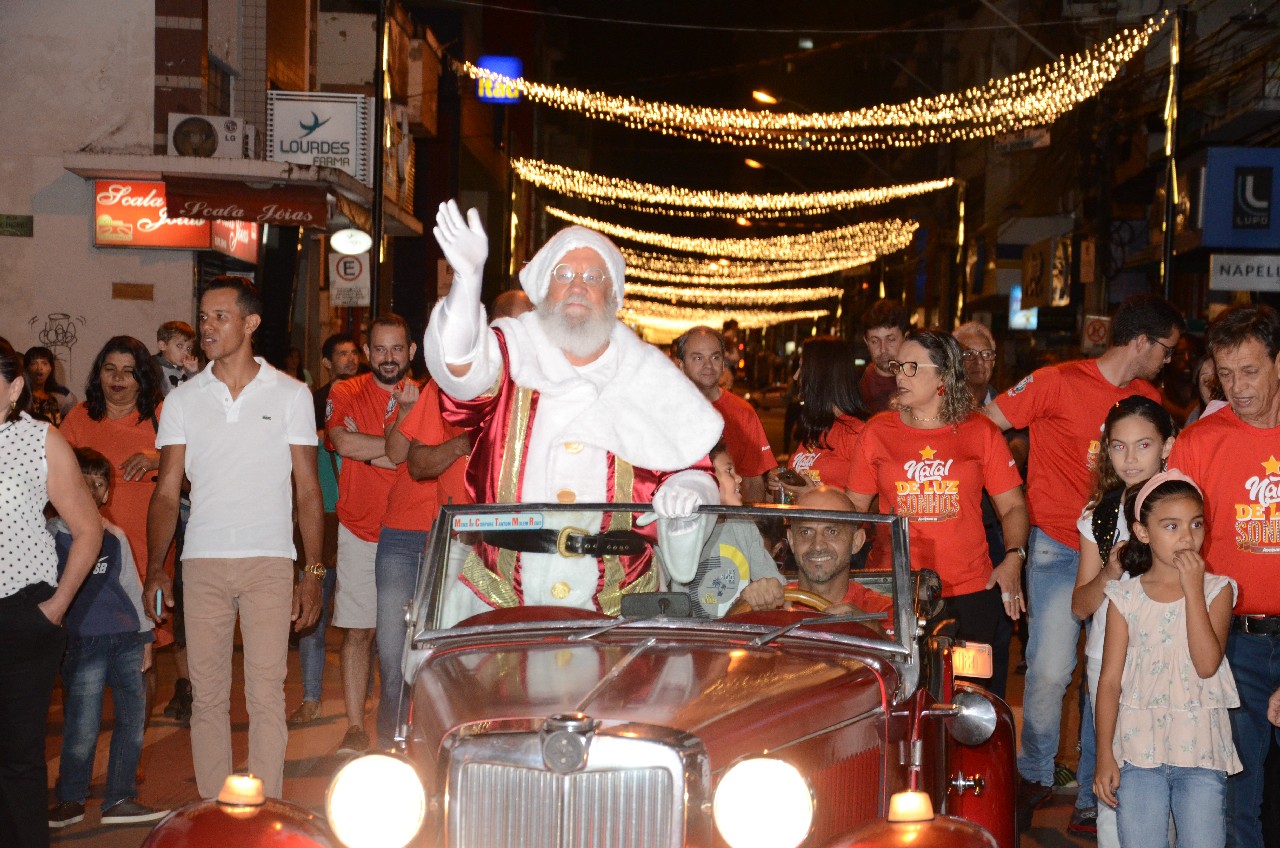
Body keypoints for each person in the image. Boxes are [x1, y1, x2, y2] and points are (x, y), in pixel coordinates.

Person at [424, 200, 721, 621]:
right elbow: (459, 365)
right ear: (544, 290)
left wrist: (688, 492)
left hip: (616, 608)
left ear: (613, 294)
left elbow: (695, 466)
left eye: (592, 277)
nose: (577, 286)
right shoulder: (510, 352)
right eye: (564, 275)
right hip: (503, 600)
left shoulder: (650, 375)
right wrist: (467, 281)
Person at [984, 292, 1183, 816]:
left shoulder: (1149, 403)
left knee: (1107, 672)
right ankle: (1034, 774)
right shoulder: (1055, 381)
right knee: (1049, 669)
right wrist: (1012, 487)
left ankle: (1095, 798)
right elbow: (987, 424)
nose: (1168, 360)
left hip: (1124, 549)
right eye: (1166, 349)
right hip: (1056, 544)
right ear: (1141, 341)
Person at [144, 275, 323, 801]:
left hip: (270, 561)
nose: (207, 327)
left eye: (219, 316)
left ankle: (265, 809)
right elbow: (164, 491)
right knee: (207, 698)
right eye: (202, 317)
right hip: (201, 562)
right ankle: (212, 811)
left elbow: (308, 491)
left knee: (267, 694)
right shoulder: (182, 400)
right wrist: (158, 564)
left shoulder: (291, 394)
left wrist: (312, 571)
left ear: (250, 323)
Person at [849, 331, 1028, 694]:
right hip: (894, 591)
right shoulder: (878, 432)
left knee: (968, 703)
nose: (900, 375)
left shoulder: (980, 431)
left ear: (944, 376)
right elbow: (853, 509)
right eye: (899, 366)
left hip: (969, 590)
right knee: (897, 700)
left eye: (913, 367)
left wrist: (1013, 558)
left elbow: (1013, 507)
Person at [1166, 304, 1280, 848]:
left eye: (1251, 371)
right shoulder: (1199, 442)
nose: (1236, 387)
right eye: (1226, 373)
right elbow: (1171, 545)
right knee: (1237, 802)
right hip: (1232, 643)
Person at [1093, 471, 1240, 848]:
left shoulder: (1217, 591)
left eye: (1195, 524)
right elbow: (1109, 682)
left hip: (1200, 753)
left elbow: (1206, 664)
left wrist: (1193, 591)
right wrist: (1104, 754)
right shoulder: (1125, 597)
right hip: (1138, 752)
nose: (1187, 537)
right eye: (1171, 526)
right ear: (1142, 532)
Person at [0, 351, 101, 848]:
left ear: (15, 387)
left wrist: (55, 607)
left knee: (18, 755)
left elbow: (88, 530)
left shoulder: (40, 440)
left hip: (23, 613)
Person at [59, 335, 188, 719]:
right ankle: (78, 742)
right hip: (89, 551)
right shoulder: (79, 418)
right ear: (98, 373)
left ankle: (133, 744)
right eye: (109, 369)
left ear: (143, 378)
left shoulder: (163, 416)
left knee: (142, 648)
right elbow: (54, 478)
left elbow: (194, 481)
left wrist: (157, 458)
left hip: (148, 551)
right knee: (79, 644)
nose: (117, 379)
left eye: (128, 372)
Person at [1070, 396, 1175, 844]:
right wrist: (1111, 571)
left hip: (1173, 658)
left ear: (1167, 447)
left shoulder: (1184, 509)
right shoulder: (1101, 514)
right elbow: (1079, 605)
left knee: (1172, 771)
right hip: (1107, 659)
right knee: (1111, 771)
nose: (1130, 459)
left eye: (1143, 445)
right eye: (1118, 447)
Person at [47, 448, 168, 829]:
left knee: (132, 722)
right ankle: (71, 800)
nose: (91, 489)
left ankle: (120, 797)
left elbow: (131, 587)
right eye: (82, 481)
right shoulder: (49, 537)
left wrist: (146, 636)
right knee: (82, 725)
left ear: (106, 495)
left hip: (127, 640)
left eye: (99, 483)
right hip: (82, 643)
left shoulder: (114, 536)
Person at [324, 315, 418, 755]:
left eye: (396, 349)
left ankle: (399, 721)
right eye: (379, 349)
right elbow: (342, 444)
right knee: (359, 632)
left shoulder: (428, 396)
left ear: (412, 352)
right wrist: (400, 451)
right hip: (360, 530)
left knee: (405, 638)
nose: (388, 358)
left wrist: (375, 447)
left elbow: (427, 459)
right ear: (367, 353)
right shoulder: (345, 391)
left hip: (414, 532)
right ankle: (355, 726)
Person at [378, 369, 472, 745]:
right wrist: (463, 444)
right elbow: (414, 463)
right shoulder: (447, 387)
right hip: (456, 538)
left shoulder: (545, 380)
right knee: (419, 655)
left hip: (520, 543)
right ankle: (402, 747)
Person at [288, 332, 359, 728]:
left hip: (360, 526)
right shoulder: (309, 404)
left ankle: (361, 696)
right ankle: (311, 697)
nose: (350, 358)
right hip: (320, 526)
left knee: (360, 620)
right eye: (342, 353)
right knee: (311, 614)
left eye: (354, 352)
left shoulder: (376, 400)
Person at [738, 486, 894, 618]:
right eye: (806, 532)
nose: (818, 545)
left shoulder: (880, 611)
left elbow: (895, 652)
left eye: (832, 531)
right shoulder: (767, 603)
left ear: (856, 541)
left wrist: (867, 627)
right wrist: (743, 605)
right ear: (791, 541)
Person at [670, 441, 783, 617]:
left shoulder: (743, 527)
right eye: (729, 471)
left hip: (736, 636)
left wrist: (769, 589)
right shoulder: (674, 531)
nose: (739, 478)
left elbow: (775, 586)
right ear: (702, 479)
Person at [675, 326, 775, 503]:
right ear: (681, 365)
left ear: (723, 364)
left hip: (729, 521)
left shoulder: (743, 413)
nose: (708, 365)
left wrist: (748, 526)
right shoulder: (663, 410)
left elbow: (753, 481)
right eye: (698, 358)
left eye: (715, 357)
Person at [773, 336, 866, 499]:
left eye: (802, 368)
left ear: (821, 375)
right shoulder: (814, 428)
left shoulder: (857, 433)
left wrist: (815, 496)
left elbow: (867, 506)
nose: (795, 377)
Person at [858, 299, 910, 414]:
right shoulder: (857, 390)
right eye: (874, 341)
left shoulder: (921, 382)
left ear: (906, 338)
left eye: (890, 339)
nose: (883, 349)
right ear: (866, 342)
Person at [24, 346, 77, 425]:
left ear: (50, 368)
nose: (39, 368)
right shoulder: (22, 398)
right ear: (27, 368)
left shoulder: (56, 399)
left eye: (44, 363)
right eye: (34, 363)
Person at [153, 321, 198, 397]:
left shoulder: (185, 370)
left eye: (189, 348)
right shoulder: (154, 369)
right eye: (179, 345)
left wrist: (193, 372)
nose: (186, 352)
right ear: (163, 345)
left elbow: (195, 394)